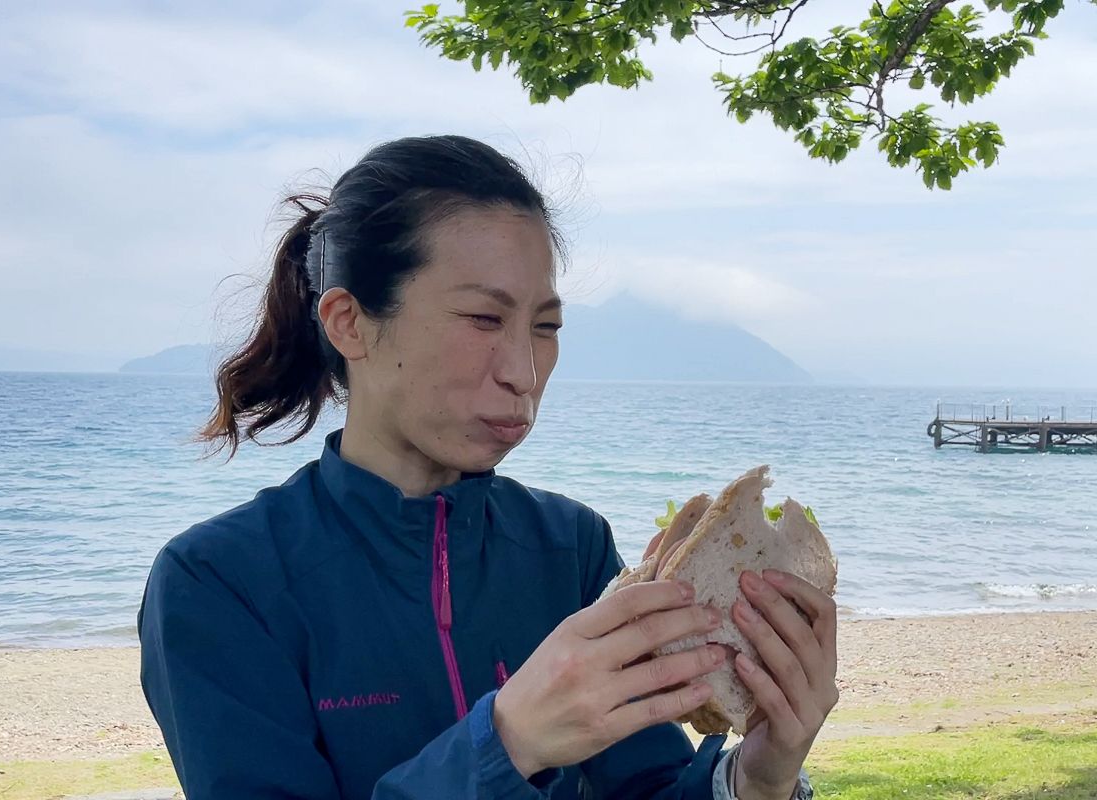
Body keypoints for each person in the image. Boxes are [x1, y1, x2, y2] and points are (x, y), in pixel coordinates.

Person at [137, 135, 837, 799]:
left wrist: (760, 775)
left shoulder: (570, 547)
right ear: (349, 322)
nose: (525, 373)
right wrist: (508, 742)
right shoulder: (219, 583)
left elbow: (646, 784)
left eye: (545, 325)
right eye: (482, 318)